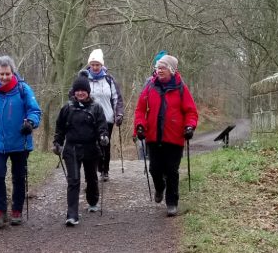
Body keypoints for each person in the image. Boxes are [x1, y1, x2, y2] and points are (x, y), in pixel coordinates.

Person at [0, 56, 42, 229]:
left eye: (7, 73)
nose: (4, 77)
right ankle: (0, 210)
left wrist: (30, 122)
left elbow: (35, 110)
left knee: (19, 177)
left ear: (12, 72)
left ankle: (17, 210)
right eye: (1, 74)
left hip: (20, 141)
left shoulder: (23, 89)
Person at [134, 54, 198, 217]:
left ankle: (172, 203)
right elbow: (140, 110)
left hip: (174, 137)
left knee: (171, 170)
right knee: (154, 169)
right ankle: (160, 187)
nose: (159, 71)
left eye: (162, 68)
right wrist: (139, 126)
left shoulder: (181, 88)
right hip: (153, 136)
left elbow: (191, 111)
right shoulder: (149, 86)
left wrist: (189, 126)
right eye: (157, 68)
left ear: (171, 70)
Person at [53, 76, 109, 226]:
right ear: (74, 92)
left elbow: (102, 126)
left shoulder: (96, 108)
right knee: (74, 180)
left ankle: (92, 200)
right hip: (71, 148)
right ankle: (72, 214)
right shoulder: (67, 108)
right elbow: (60, 128)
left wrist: (103, 136)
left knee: (91, 177)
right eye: (77, 90)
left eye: (83, 90)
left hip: (91, 147)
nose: (80, 93)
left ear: (88, 92)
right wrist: (57, 143)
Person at [77, 48, 124, 181]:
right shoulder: (84, 79)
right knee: (91, 144)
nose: (95, 67)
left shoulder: (109, 79)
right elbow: (75, 95)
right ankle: (93, 169)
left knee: (105, 144)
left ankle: (104, 170)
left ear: (102, 65)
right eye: (93, 65)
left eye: (98, 64)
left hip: (107, 118)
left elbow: (116, 98)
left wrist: (119, 114)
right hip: (88, 117)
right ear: (89, 65)